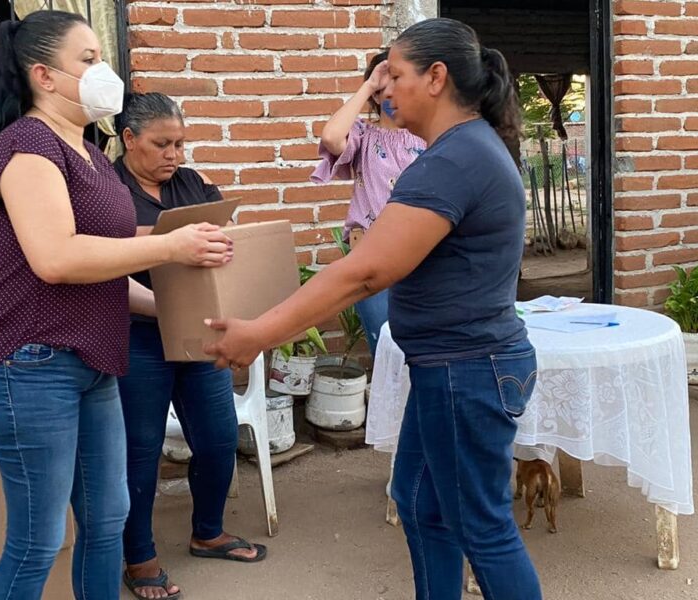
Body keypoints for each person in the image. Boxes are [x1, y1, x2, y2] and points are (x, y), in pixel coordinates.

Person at [204, 18, 542, 600]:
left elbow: (364, 271)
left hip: (468, 371)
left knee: (482, 530)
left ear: (436, 78)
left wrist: (260, 332)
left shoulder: (455, 159)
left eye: (396, 74)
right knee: (420, 505)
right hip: (449, 369)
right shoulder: (456, 151)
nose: (384, 87)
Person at [0, 12, 232, 600]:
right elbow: (57, 258)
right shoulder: (27, 145)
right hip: (32, 365)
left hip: (93, 361)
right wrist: (169, 243)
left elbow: (102, 273)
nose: (103, 70)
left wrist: (181, 315)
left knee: (108, 518)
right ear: (43, 76)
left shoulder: (84, 148)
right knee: (37, 539)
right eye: (88, 59)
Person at [110, 92, 265, 600]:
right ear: (129, 139)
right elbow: (98, 252)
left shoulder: (192, 185)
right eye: (162, 144)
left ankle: (208, 530)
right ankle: (139, 556)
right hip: (138, 335)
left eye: (180, 142)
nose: (175, 154)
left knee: (219, 438)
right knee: (141, 450)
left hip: (198, 332)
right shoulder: (106, 190)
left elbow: (221, 243)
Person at [313, 50, 426, 355]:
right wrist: (367, 86)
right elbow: (332, 136)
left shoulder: (430, 138)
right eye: (381, 87)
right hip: (370, 258)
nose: (389, 92)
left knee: (424, 355)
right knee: (387, 353)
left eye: (397, 82)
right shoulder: (364, 136)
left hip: (423, 259)